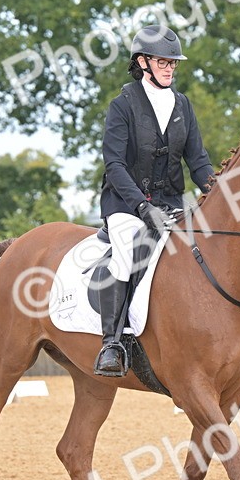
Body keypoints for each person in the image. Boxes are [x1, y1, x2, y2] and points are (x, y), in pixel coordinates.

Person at [94, 24, 216, 377]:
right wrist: (141, 207)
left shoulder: (183, 105)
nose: (169, 68)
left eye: (173, 63)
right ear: (143, 62)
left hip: (172, 203)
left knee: (209, 250)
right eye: (163, 61)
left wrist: (218, 192)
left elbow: (198, 161)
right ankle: (112, 343)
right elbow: (114, 164)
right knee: (125, 254)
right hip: (125, 204)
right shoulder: (123, 105)